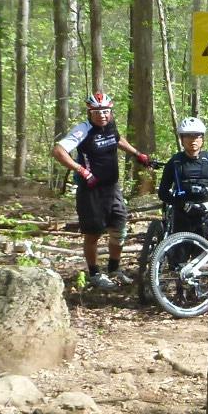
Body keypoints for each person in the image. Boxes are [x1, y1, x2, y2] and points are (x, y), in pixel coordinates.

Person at [52, 91, 158, 291]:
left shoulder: (110, 125)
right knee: (93, 234)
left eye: (106, 111)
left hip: (112, 188)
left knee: (119, 228)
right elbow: (58, 151)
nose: (102, 115)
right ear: (90, 112)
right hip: (91, 191)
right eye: (97, 111)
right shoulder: (83, 130)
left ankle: (114, 269)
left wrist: (137, 154)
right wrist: (81, 171)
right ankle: (94, 274)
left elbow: (117, 139)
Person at [158, 116, 208, 238]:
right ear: (182, 139)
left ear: (202, 138)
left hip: (205, 214)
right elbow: (163, 192)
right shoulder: (175, 162)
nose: (193, 140)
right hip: (182, 215)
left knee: (201, 254)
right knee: (179, 256)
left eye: (197, 136)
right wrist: (183, 205)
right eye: (188, 136)